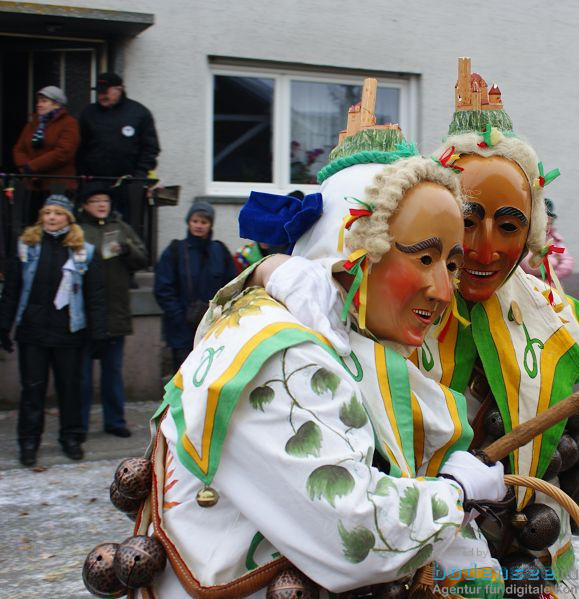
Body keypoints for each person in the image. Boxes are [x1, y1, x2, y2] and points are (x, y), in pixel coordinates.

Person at [255, 59, 579, 584]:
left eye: (508, 226)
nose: (484, 249)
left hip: (524, 552)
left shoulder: (541, 307)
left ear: (530, 233)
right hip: (409, 561)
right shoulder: (392, 301)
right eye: (467, 222)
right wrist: (270, 271)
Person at [135, 97, 506, 597]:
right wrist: (454, 493)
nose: (443, 289)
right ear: (353, 252)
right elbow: (356, 535)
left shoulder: (351, 345)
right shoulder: (278, 353)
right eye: (423, 258)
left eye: (451, 264)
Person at [0, 195, 105, 466]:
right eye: (47, 212)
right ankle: (29, 442)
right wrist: (4, 325)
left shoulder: (84, 251)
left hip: (68, 332)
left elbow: (94, 295)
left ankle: (71, 438)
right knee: (32, 389)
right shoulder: (27, 246)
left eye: (57, 213)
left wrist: (98, 333)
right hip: (32, 332)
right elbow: (11, 290)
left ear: (68, 218)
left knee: (69, 389)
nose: (51, 217)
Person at [76, 183, 148, 439]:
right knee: (82, 376)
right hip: (84, 314)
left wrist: (127, 249)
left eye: (104, 199)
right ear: (85, 205)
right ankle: (79, 425)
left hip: (116, 311)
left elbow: (143, 257)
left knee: (113, 372)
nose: (101, 204)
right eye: (95, 200)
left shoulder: (121, 228)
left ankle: (115, 421)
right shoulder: (77, 231)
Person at [153, 202, 235, 370]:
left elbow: (232, 286)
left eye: (204, 222)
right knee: (182, 379)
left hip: (213, 328)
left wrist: (220, 315)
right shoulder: (175, 251)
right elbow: (163, 288)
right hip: (181, 329)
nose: (199, 226)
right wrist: (179, 316)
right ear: (189, 222)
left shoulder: (219, 251)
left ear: (210, 225)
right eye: (195, 221)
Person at [77, 72, 160, 227]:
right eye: (99, 92)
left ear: (119, 89)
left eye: (105, 91)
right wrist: (83, 175)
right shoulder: (88, 113)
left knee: (127, 226)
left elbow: (150, 148)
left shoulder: (139, 113)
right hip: (96, 184)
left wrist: (139, 176)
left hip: (128, 184)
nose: (102, 95)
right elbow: (80, 147)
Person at [12, 85, 80, 224]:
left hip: (58, 183)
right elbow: (19, 149)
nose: (39, 104)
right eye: (38, 101)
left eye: (44, 101)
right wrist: (26, 169)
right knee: (33, 222)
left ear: (56, 104)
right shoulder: (33, 124)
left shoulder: (69, 123)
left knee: (57, 220)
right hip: (34, 183)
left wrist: (33, 166)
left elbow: (63, 152)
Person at [519, 197, 574, 280]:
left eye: (550, 223)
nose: (547, 227)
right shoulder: (526, 240)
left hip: (552, 285)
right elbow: (530, 266)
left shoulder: (555, 238)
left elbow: (568, 262)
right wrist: (555, 261)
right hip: (531, 286)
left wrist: (553, 276)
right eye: (544, 222)